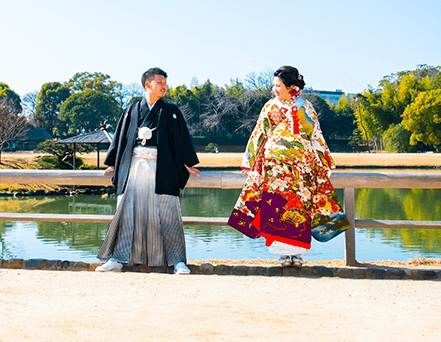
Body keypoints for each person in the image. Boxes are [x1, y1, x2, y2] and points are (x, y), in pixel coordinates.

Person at [228, 66, 349, 266]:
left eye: (278, 86)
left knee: (300, 209)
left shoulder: (305, 106)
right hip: (275, 168)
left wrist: (325, 160)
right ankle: (282, 254)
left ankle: (298, 254)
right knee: (276, 208)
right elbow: (259, 134)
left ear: (291, 86)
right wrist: (249, 162)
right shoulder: (270, 107)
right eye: (274, 86)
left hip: (302, 167)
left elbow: (316, 135)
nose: (274, 90)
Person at [96, 67, 200, 274]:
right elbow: (120, 138)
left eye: (165, 82)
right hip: (134, 166)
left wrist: (187, 162)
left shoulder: (171, 111)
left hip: (163, 168)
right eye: (160, 82)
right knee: (126, 212)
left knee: (168, 214)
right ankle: (117, 259)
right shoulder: (131, 110)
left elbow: (181, 139)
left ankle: (177, 262)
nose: (164, 86)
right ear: (147, 84)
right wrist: (113, 162)